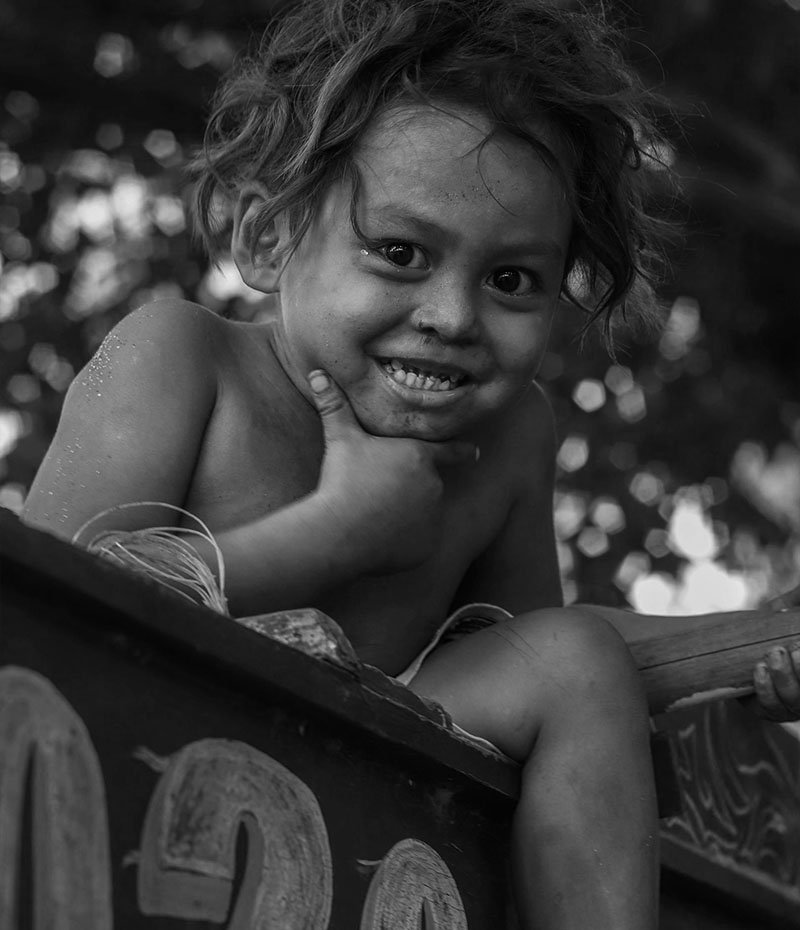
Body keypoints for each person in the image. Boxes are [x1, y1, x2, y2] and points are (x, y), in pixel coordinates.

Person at [20, 0, 800, 926]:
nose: (453, 316)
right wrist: (334, 532)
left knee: (574, 661)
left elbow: (531, 656)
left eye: (511, 280)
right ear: (268, 239)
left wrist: (749, 644)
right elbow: (46, 610)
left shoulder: (510, 437)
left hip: (369, 827)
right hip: (138, 807)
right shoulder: (183, 360)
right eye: (399, 252)